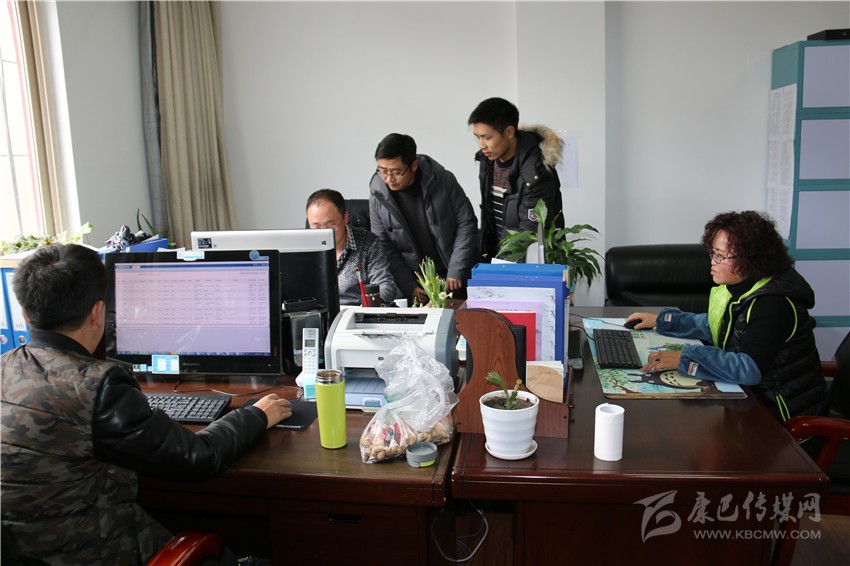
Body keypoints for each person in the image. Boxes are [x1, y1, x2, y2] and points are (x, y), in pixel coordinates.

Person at [0, 244, 292, 564]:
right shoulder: (98, 386)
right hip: (94, 553)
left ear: (24, 314)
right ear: (98, 312)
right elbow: (198, 457)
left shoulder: (5, 367)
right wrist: (255, 415)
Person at [626, 211, 828, 421]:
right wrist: (662, 321)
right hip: (748, 400)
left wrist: (685, 359)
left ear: (751, 259)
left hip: (780, 418)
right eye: (712, 253)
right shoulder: (740, 287)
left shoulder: (773, 304)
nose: (712, 262)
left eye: (721, 256)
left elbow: (749, 369)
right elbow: (719, 324)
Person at [369, 133, 479, 304]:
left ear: (413, 165)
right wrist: (409, 286)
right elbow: (384, 246)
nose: (389, 178)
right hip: (417, 283)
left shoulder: (443, 180)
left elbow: (466, 223)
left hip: (456, 274)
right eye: (383, 171)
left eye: (397, 172)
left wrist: (457, 269)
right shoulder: (378, 194)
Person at [468, 97, 564, 261]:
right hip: (499, 258)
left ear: (509, 132)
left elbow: (529, 234)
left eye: (487, 138)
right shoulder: (487, 161)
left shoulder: (536, 171)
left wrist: (501, 267)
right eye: (477, 137)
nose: (482, 145)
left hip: (528, 263)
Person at [306, 188, 396, 305]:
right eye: (316, 227)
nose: (324, 233)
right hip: (316, 312)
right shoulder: (304, 247)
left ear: (345, 218)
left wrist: (367, 307)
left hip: (357, 311)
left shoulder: (369, 243)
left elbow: (385, 285)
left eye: (331, 226)